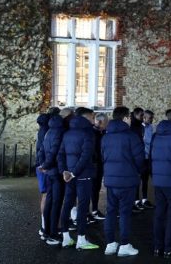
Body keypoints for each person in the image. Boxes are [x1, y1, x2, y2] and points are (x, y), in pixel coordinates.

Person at [101, 106, 144, 257]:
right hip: (128, 179)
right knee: (125, 212)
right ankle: (124, 244)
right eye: (129, 117)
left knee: (111, 211)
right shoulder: (131, 136)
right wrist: (139, 171)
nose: (131, 120)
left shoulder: (106, 136)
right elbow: (139, 159)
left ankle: (110, 244)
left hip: (111, 179)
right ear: (125, 118)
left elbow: (103, 157)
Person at [58, 107, 99, 250]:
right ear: (87, 118)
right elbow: (86, 156)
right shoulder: (88, 134)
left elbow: (61, 154)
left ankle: (65, 238)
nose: (94, 120)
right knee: (82, 207)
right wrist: (73, 173)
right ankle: (81, 239)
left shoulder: (67, 133)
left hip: (69, 176)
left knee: (67, 204)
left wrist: (65, 172)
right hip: (83, 175)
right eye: (92, 117)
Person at [150, 109, 171, 258]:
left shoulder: (156, 135)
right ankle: (169, 248)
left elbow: (151, 156)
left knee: (159, 214)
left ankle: (158, 247)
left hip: (158, 180)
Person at [40, 108, 65, 245]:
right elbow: (54, 150)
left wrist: (43, 164)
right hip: (55, 171)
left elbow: (42, 149)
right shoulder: (59, 132)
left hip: (49, 171)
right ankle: (53, 233)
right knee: (56, 203)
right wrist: (47, 164)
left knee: (50, 201)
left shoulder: (49, 131)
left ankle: (46, 230)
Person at [34, 107, 56, 239]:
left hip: (42, 165)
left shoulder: (44, 128)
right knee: (46, 195)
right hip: (44, 167)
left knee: (46, 194)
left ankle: (45, 225)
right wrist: (45, 165)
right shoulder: (47, 130)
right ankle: (44, 227)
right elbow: (43, 150)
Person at [91, 112, 107, 220]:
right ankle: (94, 211)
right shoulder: (94, 134)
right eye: (106, 123)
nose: (107, 125)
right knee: (93, 188)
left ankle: (94, 210)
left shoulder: (101, 132)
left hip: (98, 163)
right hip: (95, 164)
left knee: (96, 188)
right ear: (100, 122)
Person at [139, 110, 155, 209]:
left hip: (149, 157)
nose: (152, 119)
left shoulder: (151, 128)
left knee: (147, 180)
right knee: (141, 179)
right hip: (142, 158)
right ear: (144, 118)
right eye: (150, 118)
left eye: (152, 118)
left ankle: (145, 199)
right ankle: (137, 201)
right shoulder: (139, 129)